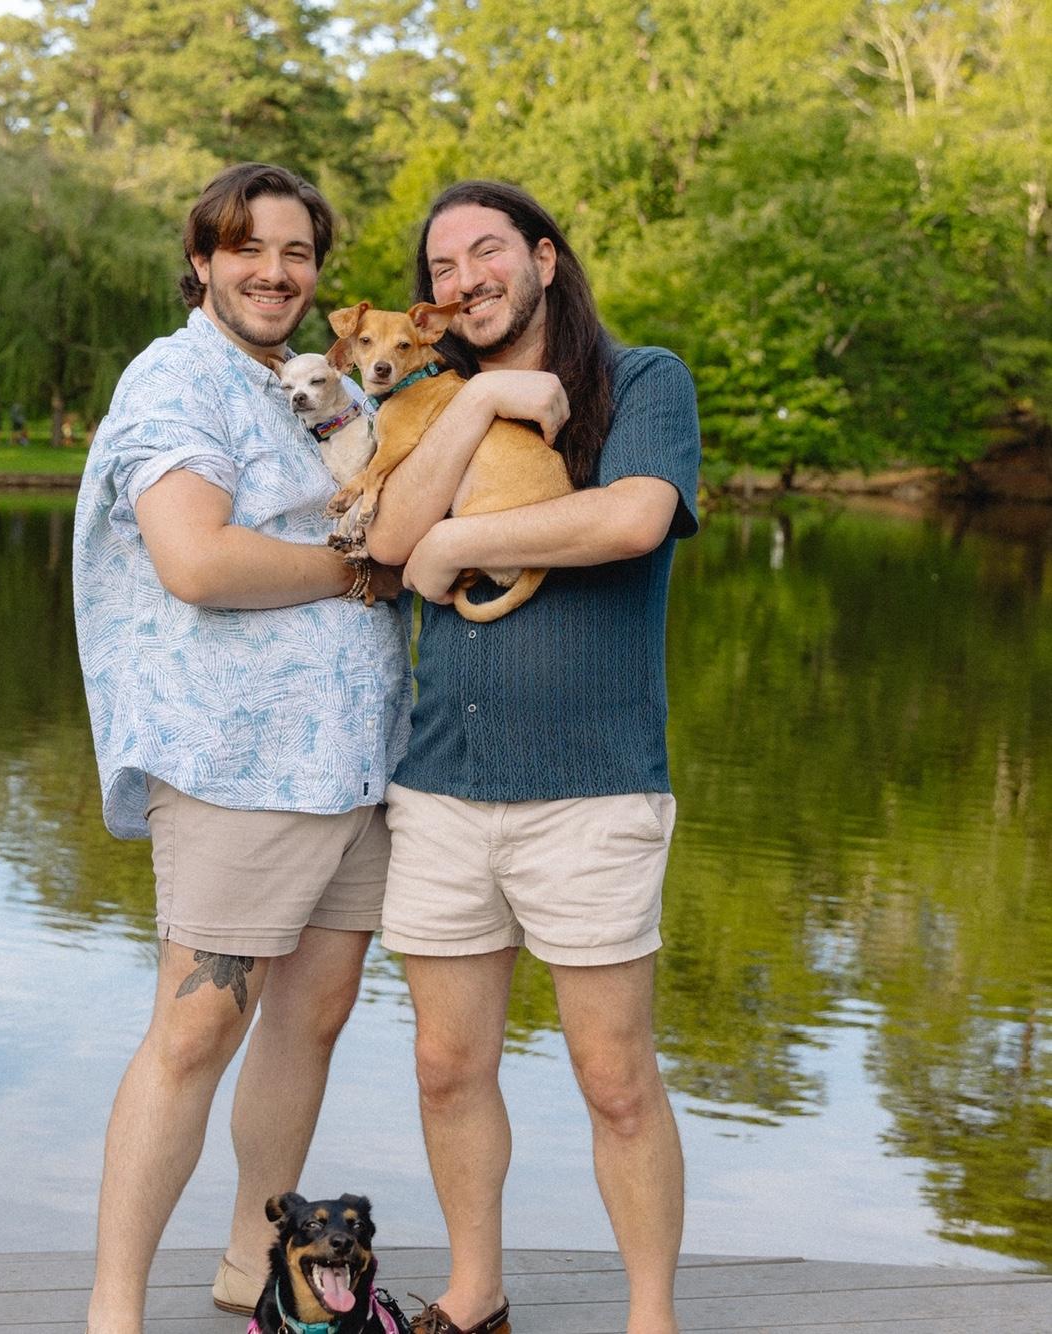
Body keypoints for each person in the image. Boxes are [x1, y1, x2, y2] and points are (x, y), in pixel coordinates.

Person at [72, 162, 411, 1334]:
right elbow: (198, 560)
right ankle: (113, 1310)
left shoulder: (302, 385)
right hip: (237, 755)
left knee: (311, 1015)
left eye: (296, 252)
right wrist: (357, 574)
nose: (274, 271)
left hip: (353, 759)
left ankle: (248, 1271)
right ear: (202, 261)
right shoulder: (176, 379)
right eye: (247, 248)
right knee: (197, 1024)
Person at [365, 180, 701, 1334]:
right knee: (445, 1065)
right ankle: (476, 1293)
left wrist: (461, 537)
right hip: (440, 786)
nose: (464, 278)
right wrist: (474, 404)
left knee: (614, 1076)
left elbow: (629, 518)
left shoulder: (641, 379)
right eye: (441, 267)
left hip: (594, 789)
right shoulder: (433, 401)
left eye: (486, 250)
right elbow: (389, 540)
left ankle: (648, 1316)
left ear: (544, 259)